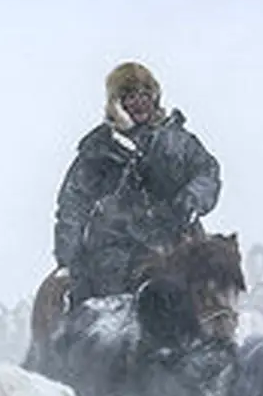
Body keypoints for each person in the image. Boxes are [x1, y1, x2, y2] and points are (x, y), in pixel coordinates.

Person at [52, 61, 222, 307]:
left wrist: (191, 200)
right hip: (119, 246)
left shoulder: (178, 140)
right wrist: (67, 257)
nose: (140, 102)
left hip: (177, 237)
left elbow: (207, 172)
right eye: (130, 96)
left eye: (145, 94)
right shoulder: (99, 149)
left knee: (214, 284)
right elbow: (73, 203)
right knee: (108, 306)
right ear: (116, 103)